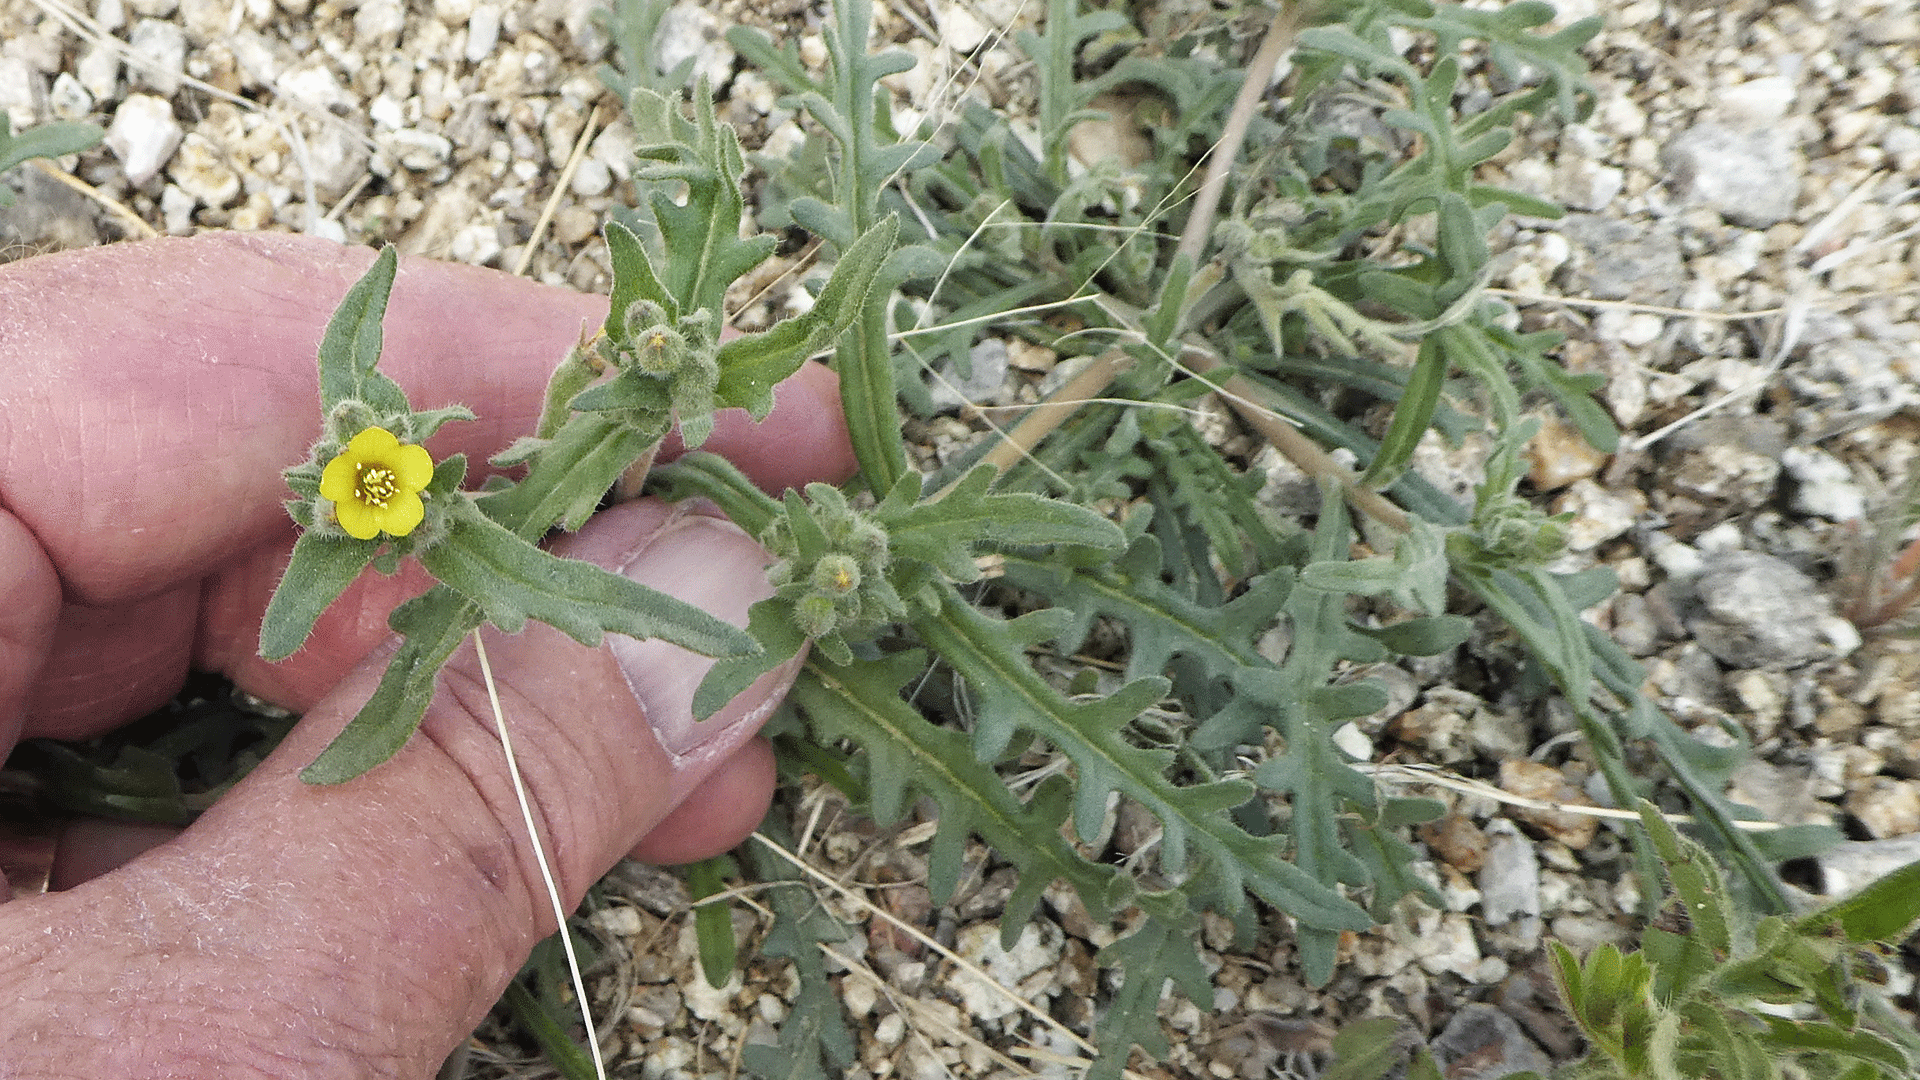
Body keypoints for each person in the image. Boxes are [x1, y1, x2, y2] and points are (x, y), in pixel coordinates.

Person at [0, 231, 856, 1075]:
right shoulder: (370, 487)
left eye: (381, 480)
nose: (375, 484)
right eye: (367, 482)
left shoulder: (394, 474)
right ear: (349, 477)